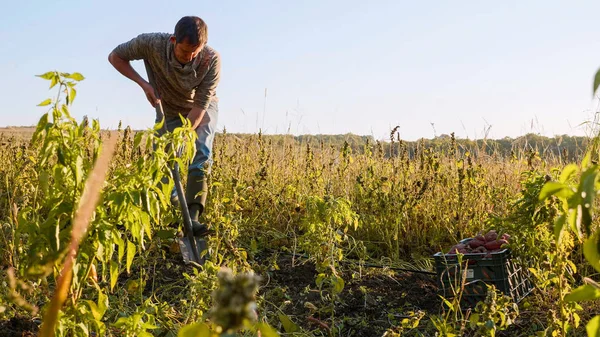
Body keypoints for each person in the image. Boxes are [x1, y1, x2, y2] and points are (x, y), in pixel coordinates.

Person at [108, 16, 221, 236]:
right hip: (168, 108)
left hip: (201, 108)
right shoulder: (151, 44)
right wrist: (144, 85)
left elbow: (199, 108)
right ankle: (169, 217)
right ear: (173, 40)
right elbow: (115, 57)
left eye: (194, 52)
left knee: (201, 152)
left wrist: (183, 137)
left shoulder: (211, 59)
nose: (189, 58)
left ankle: (194, 219)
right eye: (184, 51)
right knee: (163, 161)